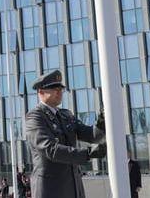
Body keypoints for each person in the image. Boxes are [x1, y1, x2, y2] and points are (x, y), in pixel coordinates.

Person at [22, 69, 104, 198]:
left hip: (74, 187)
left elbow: (92, 135)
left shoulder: (66, 115)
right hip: (51, 189)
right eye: (54, 89)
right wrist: (87, 153)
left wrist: (102, 122)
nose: (59, 92)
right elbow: (50, 149)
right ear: (41, 92)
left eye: (60, 89)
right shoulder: (35, 117)